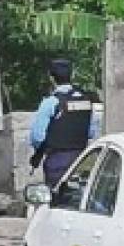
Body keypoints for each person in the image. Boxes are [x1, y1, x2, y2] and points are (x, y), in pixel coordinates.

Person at [29, 58, 101, 188]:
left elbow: (37, 137)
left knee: (57, 198)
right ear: (71, 75)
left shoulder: (50, 103)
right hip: (82, 160)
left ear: (51, 78)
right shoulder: (86, 101)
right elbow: (92, 132)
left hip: (57, 160)